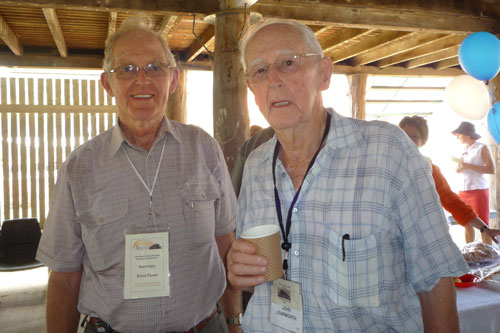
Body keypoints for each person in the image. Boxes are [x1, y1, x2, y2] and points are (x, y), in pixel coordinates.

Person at [227, 18, 469, 332]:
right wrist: (239, 270)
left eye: (288, 63)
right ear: (251, 88)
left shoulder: (388, 152)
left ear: (324, 74)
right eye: (260, 70)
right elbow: (254, 276)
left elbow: (435, 279)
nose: (273, 80)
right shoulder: (256, 164)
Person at [36, 16, 242, 333]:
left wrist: (233, 321)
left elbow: (225, 244)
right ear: (108, 84)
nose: (142, 80)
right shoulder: (80, 167)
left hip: (204, 326)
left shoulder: (204, 149)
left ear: (173, 80)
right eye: (127, 69)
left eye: (155, 68)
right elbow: (64, 277)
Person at [399, 116, 500, 244]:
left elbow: (450, 200)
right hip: (395, 232)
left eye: (414, 136)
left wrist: (485, 228)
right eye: (405, 135)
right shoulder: (386, 164)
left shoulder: (429, 167)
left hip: (420, 232)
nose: (409, 140)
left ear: (422, 140)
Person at [452, 121, 495, 245]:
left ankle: (488, 253)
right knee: (466, 223)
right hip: (463, 191)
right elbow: (464, 168)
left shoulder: (482, 147)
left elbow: (491, 169)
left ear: (466, 134)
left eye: (459, 134)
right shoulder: (463, 149)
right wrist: (459, 168)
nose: (457, 137)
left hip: (478, 191)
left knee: (483, 225)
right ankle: (469, 252)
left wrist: (468, 166)